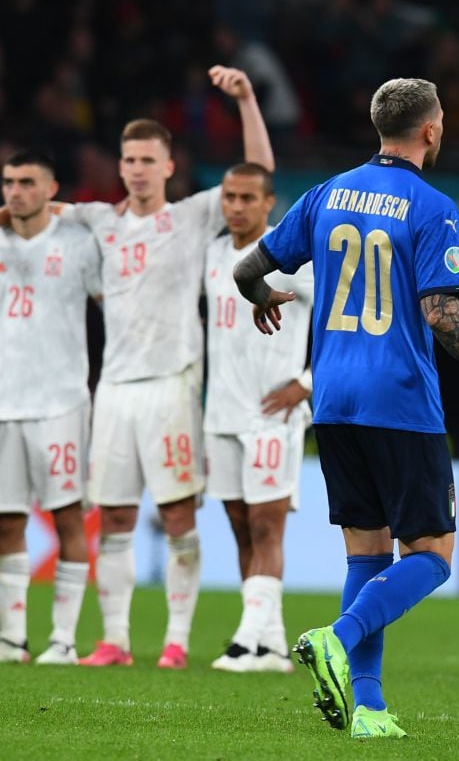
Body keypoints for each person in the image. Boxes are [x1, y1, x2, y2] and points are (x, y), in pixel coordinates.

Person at [233, 77, 459, 740]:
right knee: (431, 555)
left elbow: (246, 270)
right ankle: (338, 638)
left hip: (335, 399)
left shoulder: (325, 194)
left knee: (366, 556)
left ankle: (368, 709)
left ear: (380, 125)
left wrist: (263, 298)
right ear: (431, 129)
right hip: (398, 400)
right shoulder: (432, 208)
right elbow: (441, 312)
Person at [65, 66, 274, 669]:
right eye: (128, 159)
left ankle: (177, 642)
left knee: (178, 514)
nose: (135, 169)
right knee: (116, 517)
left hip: (173, 384)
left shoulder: (189, 218)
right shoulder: (98, 221)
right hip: (114, 390)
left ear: (167, 165)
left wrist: (246, 100)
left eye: (146, 160)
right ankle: (115, 641)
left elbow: (259, 172)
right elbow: (34, 209)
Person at [205, 163, 313, 673]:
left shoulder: (291, 259)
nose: (237, 206)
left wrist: (307, 382)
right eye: (230, 196)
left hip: (273, 414)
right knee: (240, 529)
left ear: (269, 203)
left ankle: (246, 640)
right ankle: (272, 644)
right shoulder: (210, 253)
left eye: (248, 197)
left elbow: (342, 318)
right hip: (220, 414)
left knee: (267, 528)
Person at [0, 149, 100, 665]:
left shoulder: (78, 244)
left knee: (67, 519)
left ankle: (63, 638)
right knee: (6, 523)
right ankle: (12, 638)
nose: (15, 191)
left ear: (50, 189)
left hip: (60, 401)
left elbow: (116, 302)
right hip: (3, 404)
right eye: (8, 182)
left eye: (25, 182)